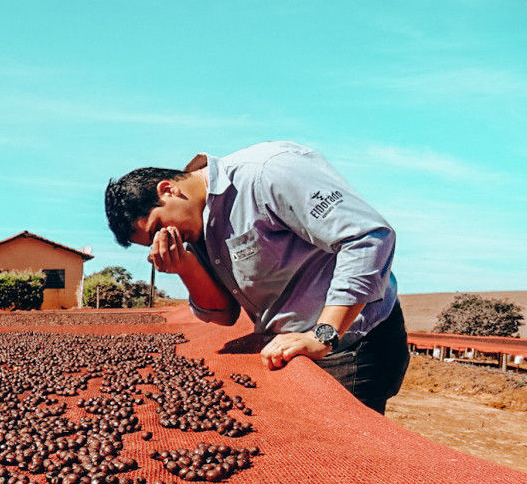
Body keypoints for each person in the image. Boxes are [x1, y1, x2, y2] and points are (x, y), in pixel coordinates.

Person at [104, 141, 409, 413]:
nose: (167, 239)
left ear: (168, 189)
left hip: (348, 345)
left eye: (159, 228)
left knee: (347, 464)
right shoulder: (195, 227)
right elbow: (224, 313)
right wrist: (185, 266)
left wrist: (323, 335)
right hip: (291, 349)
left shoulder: (267, 173)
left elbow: (368, 237)